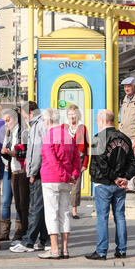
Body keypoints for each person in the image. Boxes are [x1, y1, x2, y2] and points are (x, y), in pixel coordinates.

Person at [86, 110, 135, 260]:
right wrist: (124, 177)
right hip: (119, 184)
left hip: (104, 183)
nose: (97, 123)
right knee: (120, 217)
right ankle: (121, 250)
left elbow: (101, 163)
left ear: (103, 121)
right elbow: (133, 164)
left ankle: (102, 251)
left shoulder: (98, 138)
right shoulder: (125, 138)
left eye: (97, 121)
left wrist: (116, 178)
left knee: (102, 217)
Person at [38, 108, 80, 259]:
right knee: (65, 213)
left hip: (51, 178)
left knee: (51, 214)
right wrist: (72, 175)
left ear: (48, 121)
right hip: (66, 181)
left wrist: (64, 175)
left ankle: (54, 249)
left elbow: (51, 160)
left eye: (44, 120)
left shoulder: (48, 136)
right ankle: (65, 249)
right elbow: (77, 158)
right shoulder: (68, 135)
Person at [9, 101, 50, 253]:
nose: (23, 117)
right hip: (41, 170)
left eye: (24, 114)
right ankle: (45, 240)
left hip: (38, 172)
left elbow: (37, 151)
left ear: (30, 112)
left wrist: (32, 172)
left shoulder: (38, 126)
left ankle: (28, 242)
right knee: (42, 207)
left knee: (35, 207)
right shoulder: (39, 124)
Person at [0, 108, 29, 244]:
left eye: (8, 120)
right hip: (12, 170)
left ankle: (22, 230)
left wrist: (11, 153)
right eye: (4, 121)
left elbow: (25, 152)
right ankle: (13, 231)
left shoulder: (23, 132)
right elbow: (5, 149)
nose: (6, 123)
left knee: (23, 203)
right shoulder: (9, 133)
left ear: (15, 119)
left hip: (22, 171)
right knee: (16, 202)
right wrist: (5, 156)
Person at [62, 104, 89, 219]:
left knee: (76, 186)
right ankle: (63, 209)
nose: (71, 116)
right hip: (65, 160)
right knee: (63, 185)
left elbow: (87, 147)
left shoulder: (82, 128)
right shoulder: (63, 127)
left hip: (78, 159)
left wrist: (85, 163)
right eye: (69, 114)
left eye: (73, 114)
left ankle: (74, 210)